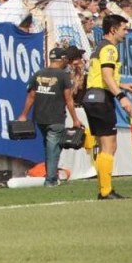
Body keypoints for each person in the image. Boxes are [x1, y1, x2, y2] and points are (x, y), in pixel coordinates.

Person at [82, 14, 132, 200]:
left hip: (91, 96)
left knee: (105, 145)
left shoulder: (99, 46)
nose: (126, 32)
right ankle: (105, 191)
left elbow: (100, 75)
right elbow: (106, 75)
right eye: (124, 28)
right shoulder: (110, 48)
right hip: (100, 98)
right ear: (113, 29)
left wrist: (121, 84)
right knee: (109, 146)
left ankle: (104, 188)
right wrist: (121, 97)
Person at [16, 46, 82, 187]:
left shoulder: (38, 73)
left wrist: (23, 115)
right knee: (53, 148)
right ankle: (51, 179)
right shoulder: (63, 76)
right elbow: (68, 99)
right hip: (56, 117)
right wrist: (76, 119)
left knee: (48, 146)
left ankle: (51, 175)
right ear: (62, 59)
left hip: (39, 118)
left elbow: (31, 96)